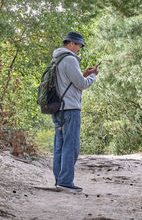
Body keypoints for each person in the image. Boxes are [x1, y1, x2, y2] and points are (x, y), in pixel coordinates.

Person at [51, 31, 98, 192]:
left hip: (57, 108)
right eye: (79, 45)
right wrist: (92, 76)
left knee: (60, 145)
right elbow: (83, 84)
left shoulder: (57, 58)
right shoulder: (70, 59)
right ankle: (65, 181)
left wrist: (83, 74)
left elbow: (70, 81)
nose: (80, 48)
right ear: (71, 43)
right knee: (71, 146)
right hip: (70, 109)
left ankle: (59, 180)